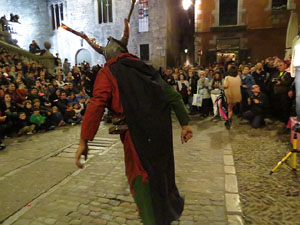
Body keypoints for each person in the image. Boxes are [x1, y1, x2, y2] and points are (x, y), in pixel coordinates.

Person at [66, 7, 193, 224]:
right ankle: (161, 214)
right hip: (160, 133)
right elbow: (172, 95)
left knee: (140, 176)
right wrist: (185, 124)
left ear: (108, 56)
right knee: (160, 173)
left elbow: (96, 105)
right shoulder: (145, 67)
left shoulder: (108, 72)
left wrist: (83, 140)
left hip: (137, 135)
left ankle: (151, 218)